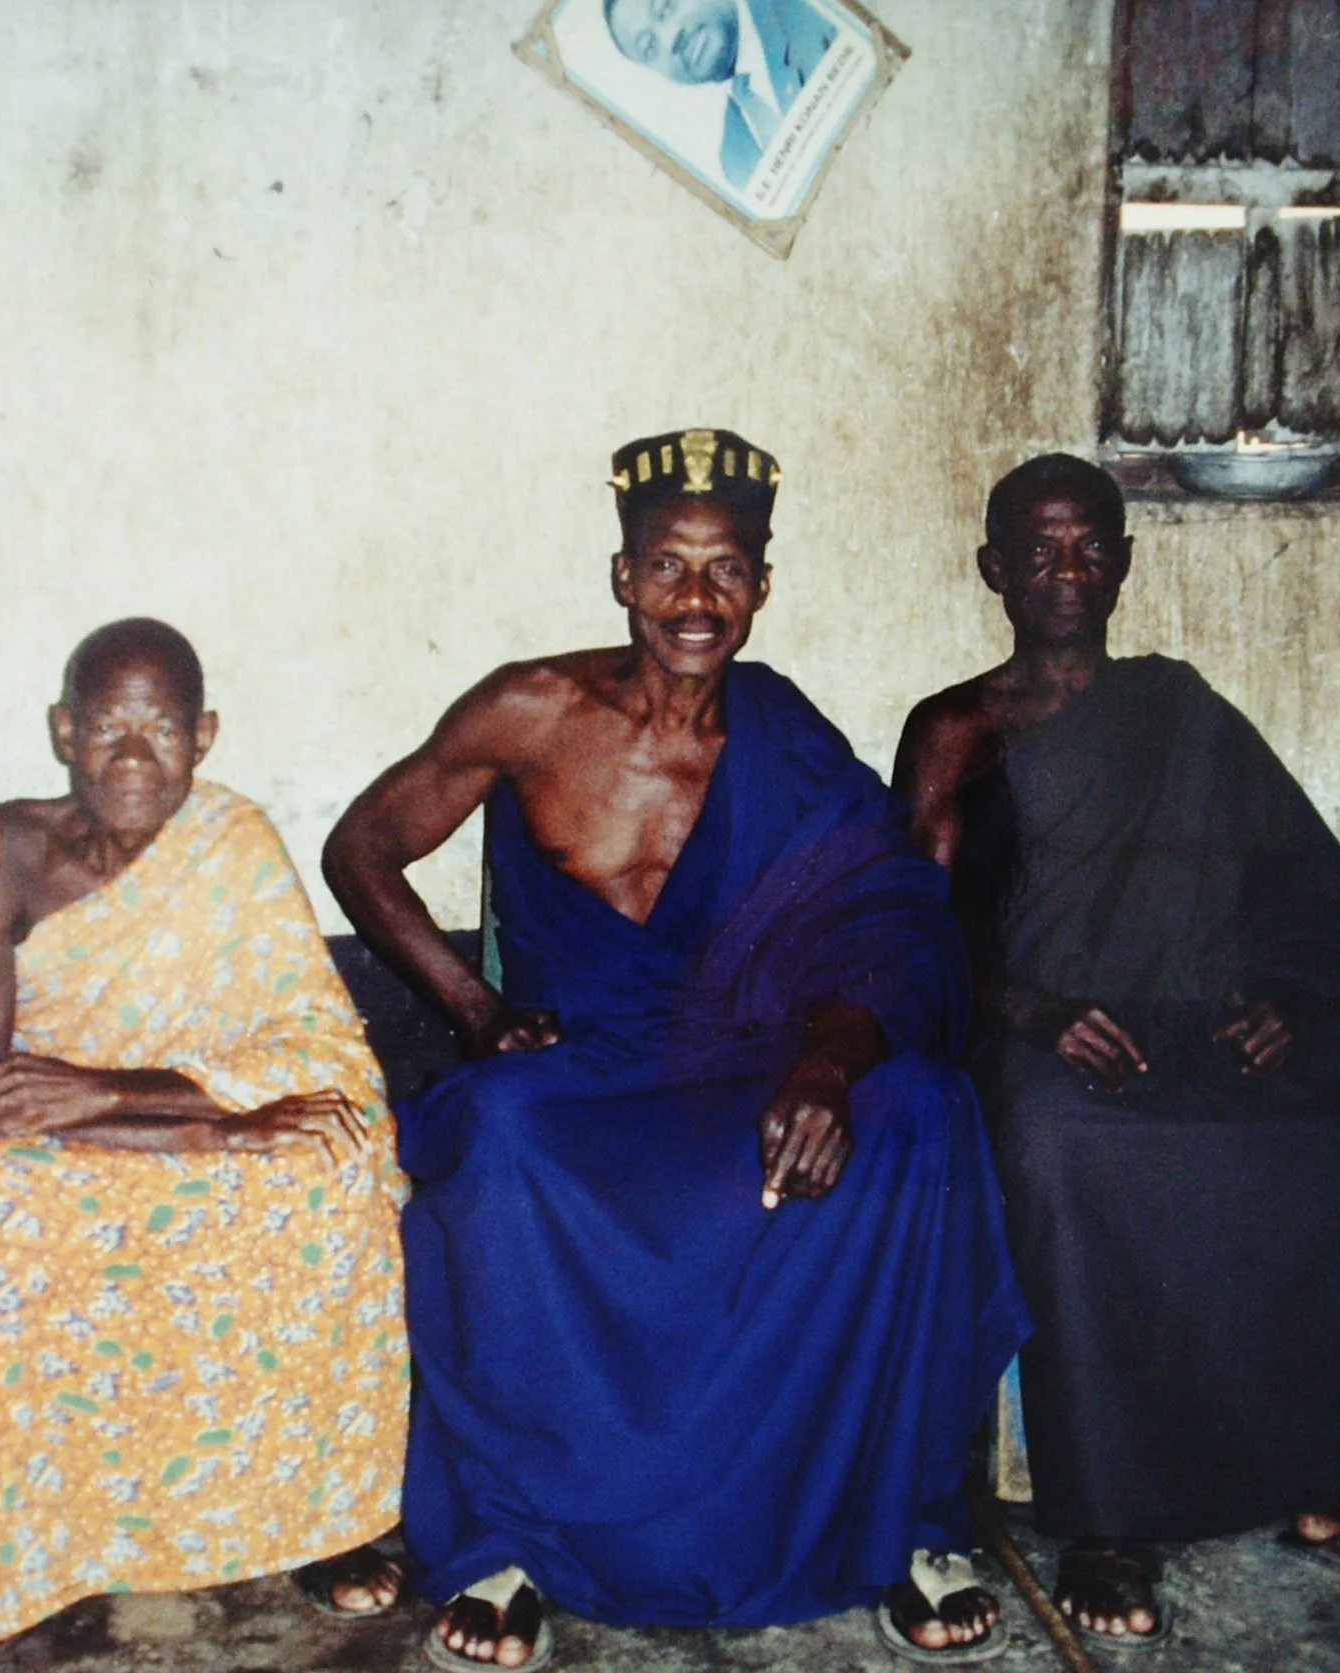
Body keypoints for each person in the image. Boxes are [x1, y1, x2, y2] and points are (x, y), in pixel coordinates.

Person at [325, 429, 1030, 1670]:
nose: (693, 598)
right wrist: (476, 1012)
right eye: (666, 566)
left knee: (920, 1104)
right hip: (586, 1063)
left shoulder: (783, 735)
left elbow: (887, 926)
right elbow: (362, 846)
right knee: (493, 1128)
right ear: (621, 577)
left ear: (760, 586)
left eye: (722, 570)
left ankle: (909, 1521)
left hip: (752, 1057)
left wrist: (825, 1064)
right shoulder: (530, 708)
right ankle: (506, 1534)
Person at [896, 455, 1340, 1644]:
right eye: (1036, 549)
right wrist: (1030, 1012)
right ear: (992, 568)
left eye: (1090, 545)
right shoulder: (958, 729)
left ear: (1126, 559)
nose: (1067, 571)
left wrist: (1287, 994)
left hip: (1201, 1014)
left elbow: (1297, 884)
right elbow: (917, 933)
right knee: (1060, 1141)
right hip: (1047, 1030)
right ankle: (1113, 1520)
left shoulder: (1181, 706)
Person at [0, 618, 410, 1651]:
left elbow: (324, 1056)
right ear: (65, 730)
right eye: (109, 725)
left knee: (333, 1164)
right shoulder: (2, 843)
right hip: (87, 1139)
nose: (137, 756)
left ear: (206, 735)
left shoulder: (233, 843)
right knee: (3, 1194)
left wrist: (120, 1100)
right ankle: (56, 1530)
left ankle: (315, 1514)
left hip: (161, 1107)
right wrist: (185, 1127)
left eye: (163, 728)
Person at [602, 0, 839, 188]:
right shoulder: (735, 158)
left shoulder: (810, 10)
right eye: (650, 47)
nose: (671, 38)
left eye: (665, 7)